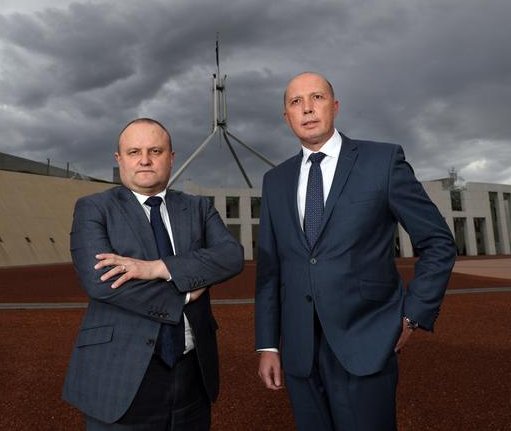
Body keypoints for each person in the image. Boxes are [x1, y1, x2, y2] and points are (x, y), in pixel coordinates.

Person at [255, 72, 456, 430]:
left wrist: (414, 313)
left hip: (367, 341)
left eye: (316, 97)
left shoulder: (382, 161)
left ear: (335, 106)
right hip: (300, 352)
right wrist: (267, 345)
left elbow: (437, 241)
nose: (307, 108)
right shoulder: (275, 181)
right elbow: (270, 270)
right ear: (286, 117)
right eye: (295, 102)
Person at [63, 118, 244, 430]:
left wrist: (159, 269)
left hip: (192, 373)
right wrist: (186, 291)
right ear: (119, 159)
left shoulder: (198, 208)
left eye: (155, 151)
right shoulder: (94, 209)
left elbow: (231, 256)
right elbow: (102, 283)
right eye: (134, 152)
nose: (144, 160)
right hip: (119, 373)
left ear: (171, 157)